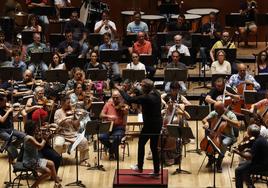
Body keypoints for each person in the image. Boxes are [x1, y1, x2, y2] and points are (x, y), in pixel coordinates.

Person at [116, 79, 162, 177]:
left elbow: (129, 99)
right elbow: (143, 92)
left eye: (142, 86)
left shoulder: (147, 98)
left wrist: (120, 90)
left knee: (141, 143)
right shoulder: (156, 93)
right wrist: (135, 87)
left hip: (150, 125)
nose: (140, 87)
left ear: (145, 88)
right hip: (157, 123)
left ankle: (140, 167)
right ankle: (157, 171)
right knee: (153, 147)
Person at [202, 101, 240, 172]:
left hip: (228, 136)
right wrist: (206, 123)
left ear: (222, 108)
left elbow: (238, 124)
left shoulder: (230, 114)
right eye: (215, 109)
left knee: (224, 143)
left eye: (217, 109)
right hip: (216, 134)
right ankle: (211, 159)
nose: (215, 111)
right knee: (206, 143)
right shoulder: (215, 113)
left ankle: (219, 162)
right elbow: (204, 119)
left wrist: (227, 119)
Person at [23, 121, 62, 188]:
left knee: (52, 164)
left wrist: (49, 135)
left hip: (35, 159)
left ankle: (57, 184)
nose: (37, 129)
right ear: (32, 129)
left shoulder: (32, 136)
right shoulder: (29, 138)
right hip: (30, 162)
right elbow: (40, 147)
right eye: (36, 128)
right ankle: (34, 186)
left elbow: (40, 140)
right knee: (48, 172)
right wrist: (44, 139)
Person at [53, 96, 90, 166]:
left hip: (72, 133)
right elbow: (57, 124)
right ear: (62, 103)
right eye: (68, 103)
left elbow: (76, 126)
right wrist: (66, 118)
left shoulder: (72, 112)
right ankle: (57, 160)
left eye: (70, 102)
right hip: (61, 134)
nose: (70, 104)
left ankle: (83, 160)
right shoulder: (57, 112)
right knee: (58, 144)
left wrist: (80, 118)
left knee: (84, 141)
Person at [234, 124, 268, 188]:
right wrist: (244, 140)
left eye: (248, 131)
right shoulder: (258, 138)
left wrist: (238, 153)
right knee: (241, 165)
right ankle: (250, 185)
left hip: (262, 165)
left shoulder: (257, 142)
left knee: (238, 170)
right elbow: (241, 147)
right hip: (259, 162)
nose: (246, 132)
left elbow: (249, 157)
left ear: (250, 133)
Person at [100, 90, 128, 160]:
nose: (115, 99)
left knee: (117, 138)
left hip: (119, 127)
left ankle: (111, 152)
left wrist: (125, 112)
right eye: (113, 97)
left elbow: (125, 117)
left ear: (120, 97)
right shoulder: (107, 104)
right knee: (102, 137)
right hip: (108, 126)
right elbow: (101, 115)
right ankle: (113, 150)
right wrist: (109, 116)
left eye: (117, 98)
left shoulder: (123, 105)